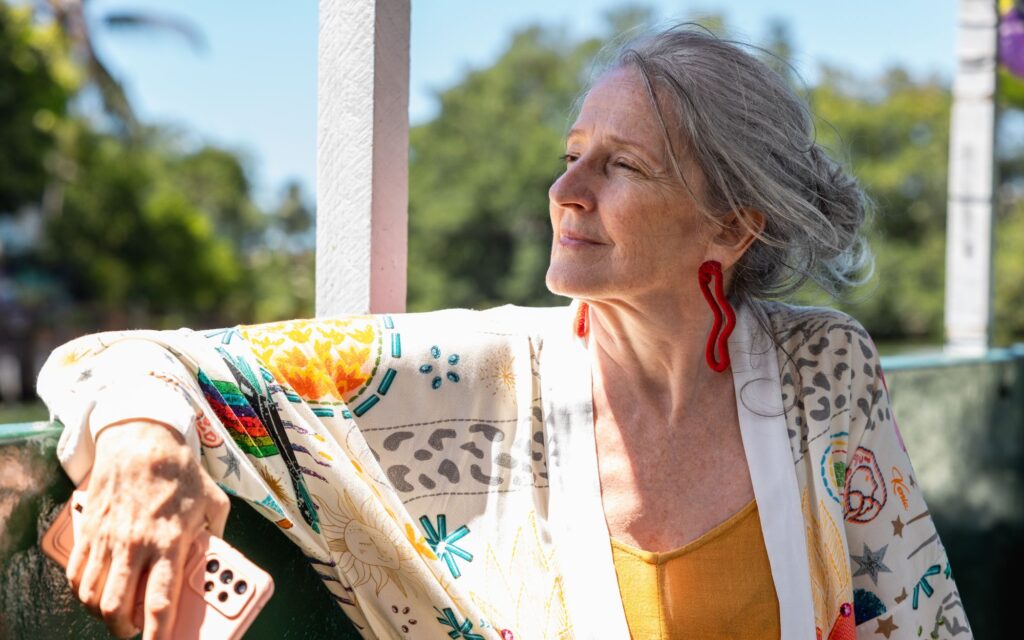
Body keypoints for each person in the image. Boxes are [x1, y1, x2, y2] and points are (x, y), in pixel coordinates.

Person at [37, 25, 971, 640]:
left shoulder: (822, 368)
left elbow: (916, 614)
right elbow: (131, 359)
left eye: (622, 167)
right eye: (572, 157)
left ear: (731, 227)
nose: (566, 192)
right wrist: (142, 448)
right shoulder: (471, 373)